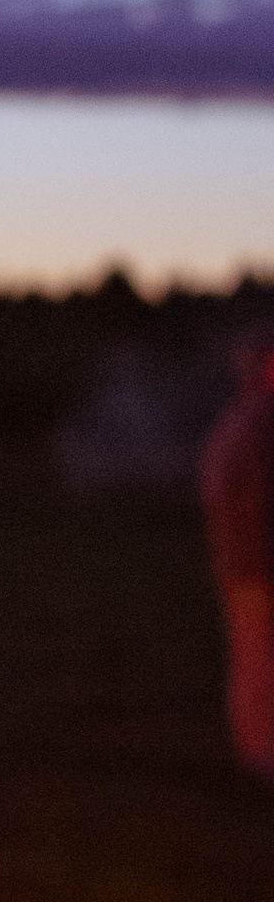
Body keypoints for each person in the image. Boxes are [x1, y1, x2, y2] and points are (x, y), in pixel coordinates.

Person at [201, 324, 274, 782]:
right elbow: (245, 503)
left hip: (248, 564)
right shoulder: (252, 428)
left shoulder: (244, 424)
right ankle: (260, 753)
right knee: (258, 657)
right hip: (255, 567)